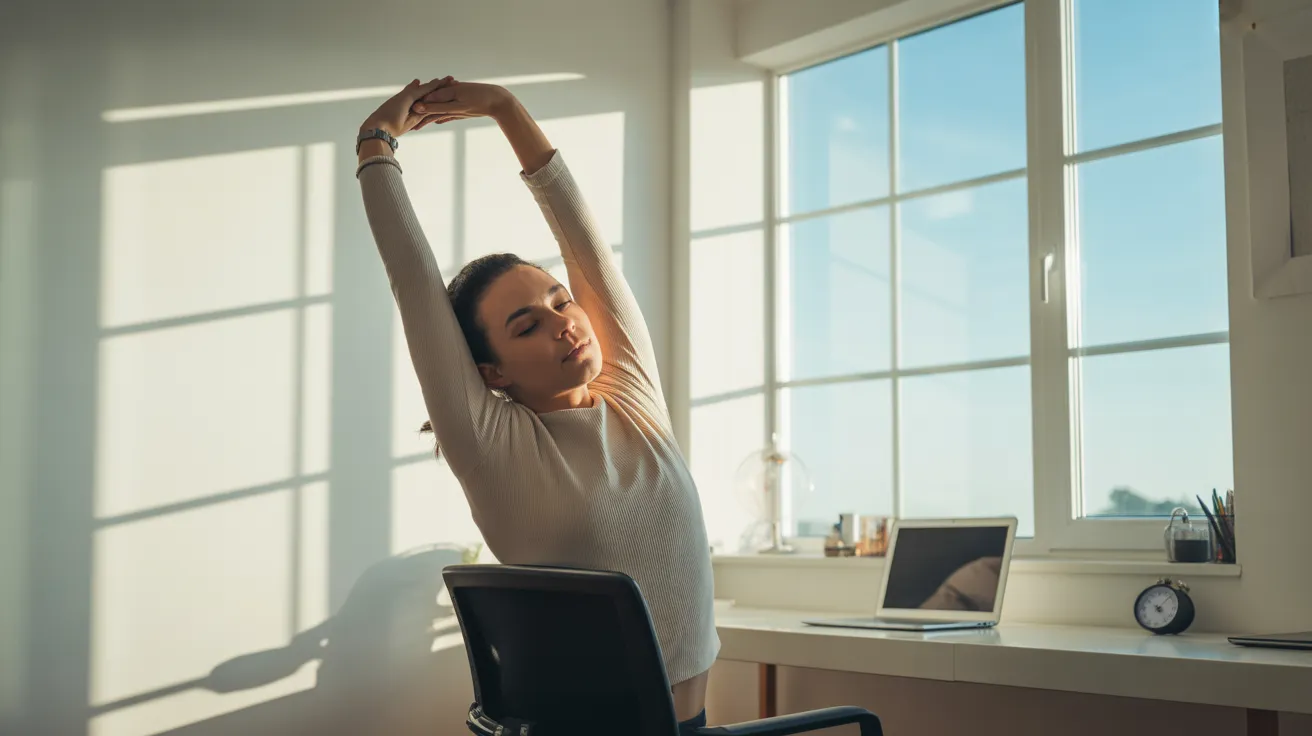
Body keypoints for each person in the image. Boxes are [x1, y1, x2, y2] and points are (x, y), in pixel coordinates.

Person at [355, 77, 718, 727]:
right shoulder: (492, 445)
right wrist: (375, 147)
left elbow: (585, 245)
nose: (564, 323)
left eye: (560, 301)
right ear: (490, 371)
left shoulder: (631, 395)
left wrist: (504, 108)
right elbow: (414, 283)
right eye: (527, 325)